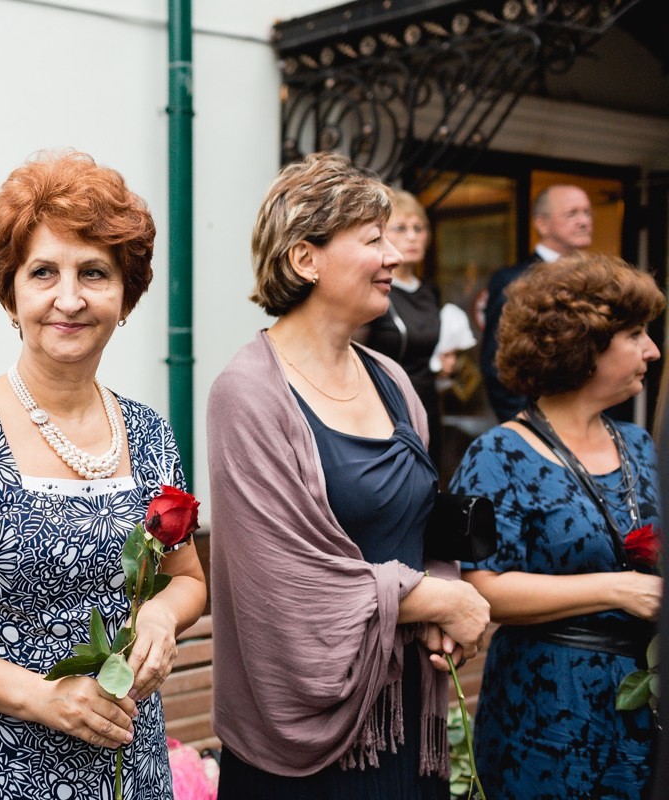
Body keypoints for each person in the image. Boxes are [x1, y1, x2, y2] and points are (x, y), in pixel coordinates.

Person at [0, 150, 208, 799]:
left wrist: (162, 618)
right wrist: (39, 696)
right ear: (11, 294)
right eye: (43, 272)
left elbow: (187, 579)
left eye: (94, 273)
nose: (70, 298)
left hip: (128, 772)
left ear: (125, 295)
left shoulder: (149, 434)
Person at [207, 151, 491, 799]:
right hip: (309, 737)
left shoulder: (391, 379)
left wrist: (445, 587)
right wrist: (436, 600)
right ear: (305, 259)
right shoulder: (247, 392)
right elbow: (284, 583)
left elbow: (424, 520)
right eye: (373, 240)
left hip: (403, 708)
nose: (395, 256)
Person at [452, 253, 664, 800]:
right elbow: (480, 588)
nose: (652, 350)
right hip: (546, 709)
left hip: (640, 705)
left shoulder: (639, 444)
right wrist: (618, 589)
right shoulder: (498, 454)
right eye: (635, 335)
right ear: (584, 346)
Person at [480, 184, 593, 421]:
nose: (584, 221)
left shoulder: (596, 279)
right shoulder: (514, 280)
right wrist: (524, 424)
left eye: (587, 212)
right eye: (572, 213)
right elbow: (497, 361)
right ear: (542, 224)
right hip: (537, 420)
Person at [354, 189, 445, 463]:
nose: (412, 236)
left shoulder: (430, 292)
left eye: (419, 228)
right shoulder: (376, 291)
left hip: (427, 403)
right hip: (387, 407)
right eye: (401, 228)